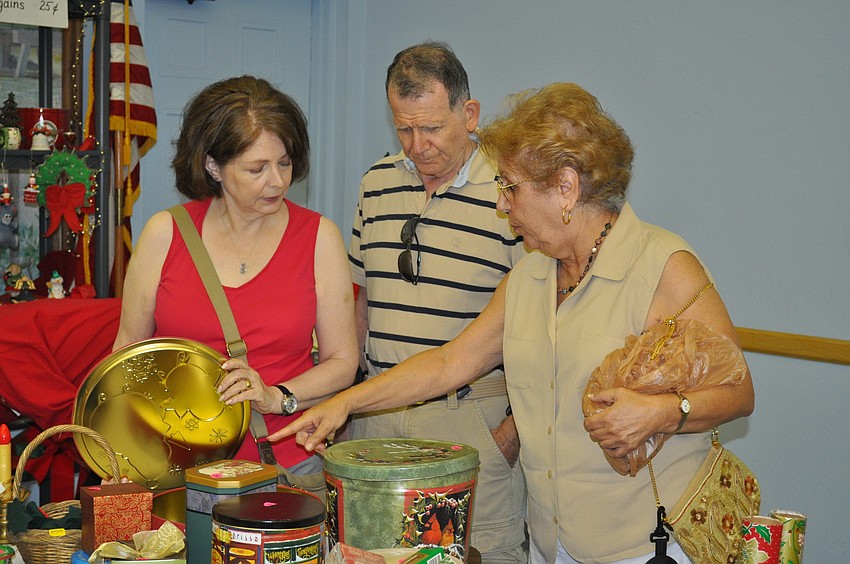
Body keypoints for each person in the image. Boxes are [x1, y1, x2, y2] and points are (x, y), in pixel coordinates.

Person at [272, 82, 755, 564]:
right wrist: (345, 403)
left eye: (510, 187)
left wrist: (663, 413)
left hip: (645, 544)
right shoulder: (530, 275)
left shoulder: (663, 264)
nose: (501, 204)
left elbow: (738, 392)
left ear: (565, 188)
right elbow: (447, 364)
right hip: (551, 543)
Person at [113, 75, 359, 477]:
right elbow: (128, 350)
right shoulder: (165, 233)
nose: (278, 181)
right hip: (177, 464)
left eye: (284, 163)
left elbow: (343, 361)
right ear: (214, 166)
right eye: (256, 168)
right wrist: (121, 447)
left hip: (285, 463)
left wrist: (276, 397)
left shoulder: (319, 237)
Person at [345, 42, 528, 563]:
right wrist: (351, 397)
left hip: (470, 418)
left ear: (468, 115)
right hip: (378, 413)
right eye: (404, 128)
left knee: (477, 555)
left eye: (431, 128)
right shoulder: (376, 183)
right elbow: (363, 302)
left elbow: (545, 317)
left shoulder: (510, 191)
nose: (417, 145)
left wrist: (511, 431)